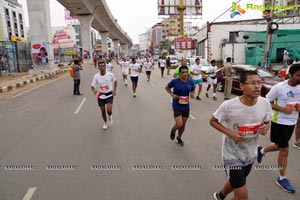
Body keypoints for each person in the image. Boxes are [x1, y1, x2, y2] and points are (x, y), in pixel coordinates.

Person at [210, 70, 272, 200]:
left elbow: (266, 122)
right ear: (241, 86)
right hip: (231, 154)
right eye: (252, 83)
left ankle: (220, 195)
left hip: (250, 153)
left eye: (259, 82)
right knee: (242, 196)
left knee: (236, 183)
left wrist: (265, 128)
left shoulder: (264, 103)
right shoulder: (229, 106)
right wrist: (231, 134)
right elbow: (213, 121)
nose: (257, 86)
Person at [257, 63, 300, 194]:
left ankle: (261, 151)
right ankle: (282, 178)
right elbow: (266, 101)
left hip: (292, 122)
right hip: (279, 121)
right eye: (298, 75)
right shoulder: (279, 87)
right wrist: (282, 109)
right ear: (291, 75)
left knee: (279, 145)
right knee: (285, 150)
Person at [165, 65, 195, 146]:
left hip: (186, 106)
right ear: (180, 73)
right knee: (179, 124)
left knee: (183, 126)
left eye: (186, 72)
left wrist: (192, 94)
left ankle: (179, 137)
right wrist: (172, 94)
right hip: (176, 105)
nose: (185, 74)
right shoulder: (175, 81)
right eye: (183, 72)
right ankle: (173, 130)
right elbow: (167, 87)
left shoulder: (190, 82)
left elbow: (192, 89)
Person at [91, 60, 117, 130]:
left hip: (109, 94)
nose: (102, 67)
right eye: (100, 66)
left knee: (109, 110)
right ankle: (105, 122)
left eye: (103, 66)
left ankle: (110, 116)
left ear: (105, 66)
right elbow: (92, 86)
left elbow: (115, 81)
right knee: (103, 111)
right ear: (98, 68)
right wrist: (94, 91)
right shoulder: (96, 76)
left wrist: (114, 90)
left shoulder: (110, 74)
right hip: (101, 95)